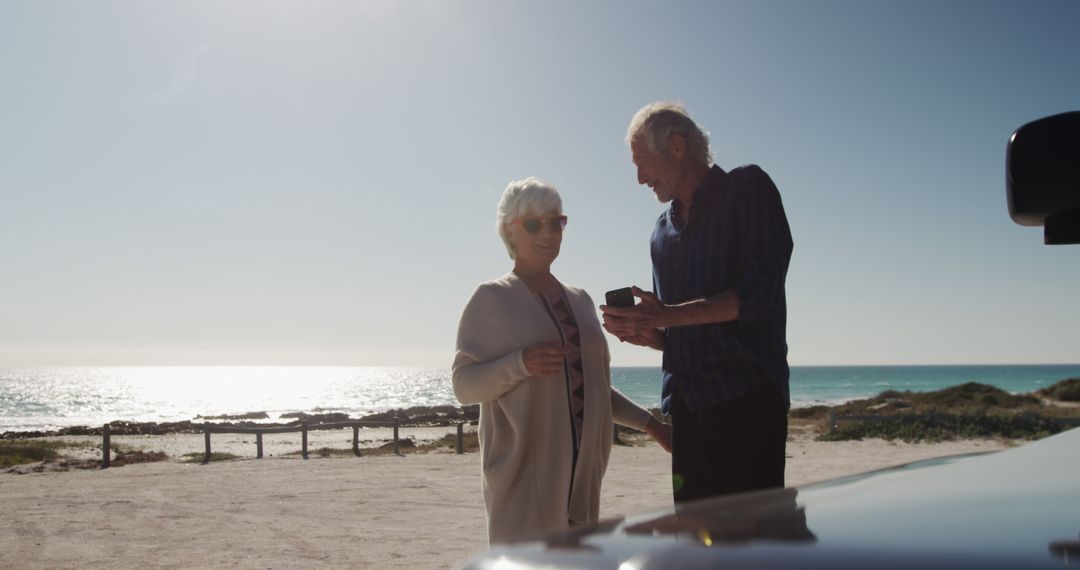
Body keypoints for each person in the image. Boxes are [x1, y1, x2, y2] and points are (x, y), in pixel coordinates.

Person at [453, 176, 672, 544]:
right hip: (522, 489)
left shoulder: (581, 301)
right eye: (535, 223)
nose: (549, 233)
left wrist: (652, 426)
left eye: (557, 222)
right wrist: (521, 363)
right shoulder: (491, 298)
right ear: (510, 230)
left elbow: (596, 390)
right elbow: (464, 386)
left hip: (583, 487)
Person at [600, 102, 793, 504]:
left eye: (641, 162)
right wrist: (649, 332)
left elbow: (761, 296)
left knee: (755, 549)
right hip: (686, 414)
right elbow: (678, 335)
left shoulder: (748, 189)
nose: (638, 179)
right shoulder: (660, 233)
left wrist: (668, 314)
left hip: (748, 403)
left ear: (675, 146)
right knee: (693, 550)